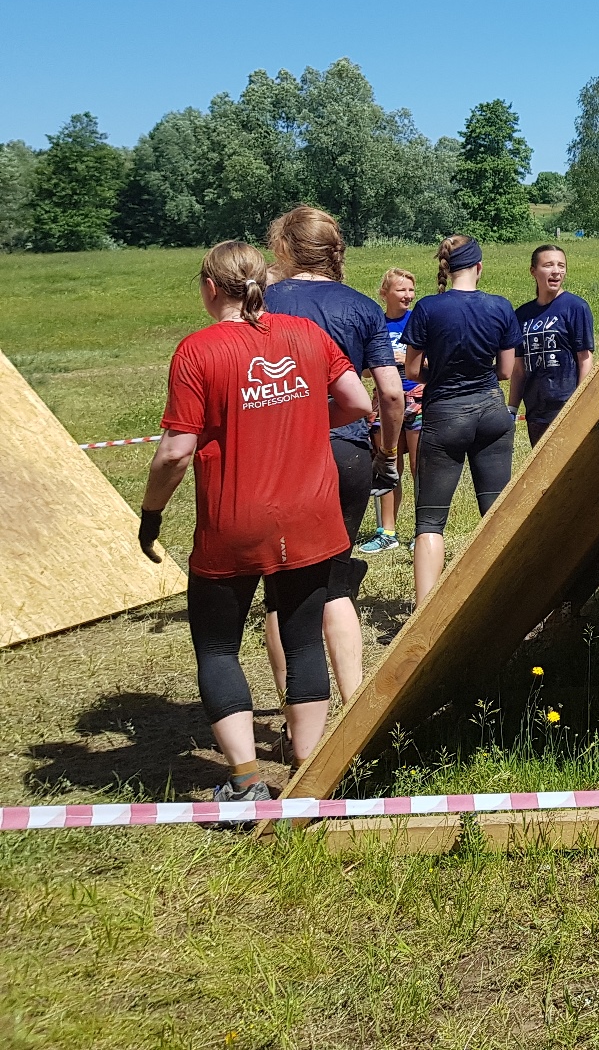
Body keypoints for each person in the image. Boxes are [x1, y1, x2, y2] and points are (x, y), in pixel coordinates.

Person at [140, 241, 373, 800]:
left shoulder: (198, 350)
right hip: (311, 515)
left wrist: (151, 514)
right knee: (303, 640)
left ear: (209, 288)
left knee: (218, 647)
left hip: (234, 524)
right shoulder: (307, 335)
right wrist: (307, 419)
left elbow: (175, 452)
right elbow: (358, 403)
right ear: (263, 285)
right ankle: (311, 772)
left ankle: (245, 781)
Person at [261, 206, 404, 704]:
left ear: (283, 247)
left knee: (280, 590)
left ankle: (294, 714)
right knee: (336, 580)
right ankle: (353, 704)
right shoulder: (362, 307)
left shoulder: (262, 303)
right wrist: (388, 452)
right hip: (348, 451)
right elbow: (390, 394)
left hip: (281, 456)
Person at [403, 236, 522, 604]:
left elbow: (411, 369)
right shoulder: (500, 306)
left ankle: (424, 613)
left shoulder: (428, 308)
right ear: (479, 266)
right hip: (492, 411)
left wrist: (437, 375)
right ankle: (507, 601)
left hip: (445, 415)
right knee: (496, 513)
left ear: (446, 267)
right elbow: (506, 371)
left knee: (430, 522)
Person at [509, 245, 595, 446]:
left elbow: (585, 359)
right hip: (535, 410)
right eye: (548, 265)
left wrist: (579, 404)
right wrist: (512, 409)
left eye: (561, 265)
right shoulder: (521, 315)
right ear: (533, 271)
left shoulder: (576, 307)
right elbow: (519, 369)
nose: (556, 271)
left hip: (565, 407)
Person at [363, 267, 422, 553]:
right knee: (388, 464)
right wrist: (384, 359)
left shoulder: (418, 321)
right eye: (401, 290)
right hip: (385, 401)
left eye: (411, 290)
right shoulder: (376, 325)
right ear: (384, 293)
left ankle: (423, 531)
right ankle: (387, 531)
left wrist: (406, 359)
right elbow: (364, 370)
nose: (408, 295)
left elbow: (434, 360)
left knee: (419, 467)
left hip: (418, 397)